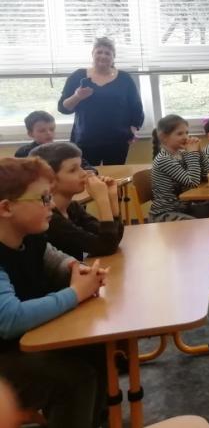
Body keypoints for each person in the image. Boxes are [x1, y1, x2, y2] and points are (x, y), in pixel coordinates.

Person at [0, 157, 108, 428]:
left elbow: (52, 257)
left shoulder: (31, 235)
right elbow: (10, 319)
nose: (51, 205)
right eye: (43, 199)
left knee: (95, 346)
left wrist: (76, 268)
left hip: (21, 342)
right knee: (72, 379)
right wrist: (75, 293)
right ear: (6, 208)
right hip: (5, 355)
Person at [29, 143, 124, 261]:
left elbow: (113, 239)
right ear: (50, 180)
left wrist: (112, 198)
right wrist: (102, 199)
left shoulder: (72, 207)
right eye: (73, 170)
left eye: (81, 166)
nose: (84, 173)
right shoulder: (50, 218)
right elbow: (106, 246)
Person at [58, 37, 144, 165]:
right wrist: (77, 96)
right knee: (88, 174)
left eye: (107, 53)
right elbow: (63, 108)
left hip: (118, 140)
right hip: (85, 140)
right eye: (99, 52)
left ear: (113, 57)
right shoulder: (78, 76)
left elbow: (136, 107)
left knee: (116, 174)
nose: (103, 56)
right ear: (92, 54)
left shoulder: (124, 78)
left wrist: (133, 129)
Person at [149, 115, 209, 222]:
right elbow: (193, 182)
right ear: (163, 137)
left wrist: (200, 152)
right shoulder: (164, 159)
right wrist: (193, 154)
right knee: (200, 225)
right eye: (180, 133)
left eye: (187, 133)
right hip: (165, 214)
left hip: (183, 210)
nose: (186, 137)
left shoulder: (182, 154)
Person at [14, 111, 96, 173]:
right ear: (30, 134)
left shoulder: (65, 149)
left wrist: (89, 172)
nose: (48, 133)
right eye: (42, 131)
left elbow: (88, 167)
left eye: (52, 129)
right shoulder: (23, 153)